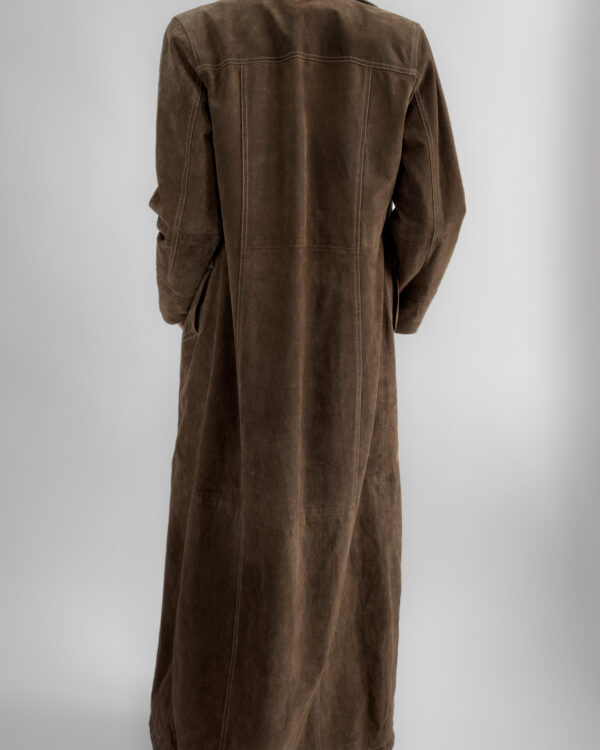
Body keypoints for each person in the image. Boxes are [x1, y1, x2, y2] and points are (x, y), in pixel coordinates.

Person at [147, 1, 466, 748]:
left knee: (229, 514)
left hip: (237, 334)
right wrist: (394, 307)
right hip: (351, 346)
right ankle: (342, 729)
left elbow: (187, 217)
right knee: (348, 527)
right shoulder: (399, 47)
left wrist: (178, 301)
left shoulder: (199, 39)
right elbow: (436, 215)